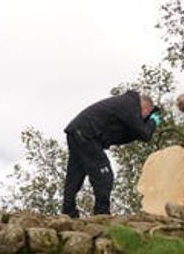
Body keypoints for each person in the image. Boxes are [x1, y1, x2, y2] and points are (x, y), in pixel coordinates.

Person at [62, 90, 162, 218]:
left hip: (78, 132)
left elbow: (133, 134)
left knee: (75, 174)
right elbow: (144, 133)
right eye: (147, 114)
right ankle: (102, 214)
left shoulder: (125, 105)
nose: (145, 118)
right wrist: (152, 122)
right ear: (145, 107)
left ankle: (68, 211)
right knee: (104, 175)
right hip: (87, 134)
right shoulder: (130, 104)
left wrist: (148, 124)